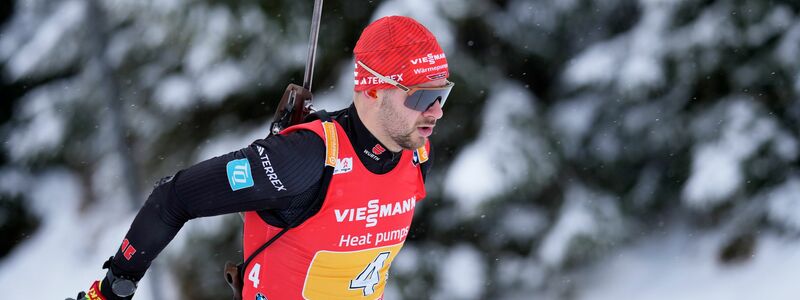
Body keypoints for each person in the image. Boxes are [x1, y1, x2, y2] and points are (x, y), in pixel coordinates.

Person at [73, 15, 453, 299]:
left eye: (442, 95)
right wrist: (112, 287)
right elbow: (174, 197)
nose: (435, 111)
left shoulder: (417, 153)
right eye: (421, 96)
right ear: (372, 91)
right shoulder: (305, 157)